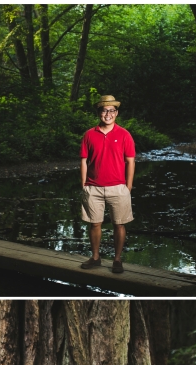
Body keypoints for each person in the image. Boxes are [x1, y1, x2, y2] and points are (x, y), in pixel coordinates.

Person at [79, 94, 135, 274]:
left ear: (116, 113)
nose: (108, 114)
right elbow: (83, 160)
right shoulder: (89, 134)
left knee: (119, 224)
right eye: (104, 110)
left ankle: (117, 260)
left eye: (111, 111)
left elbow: (130, 161)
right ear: (99, 113)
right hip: (93, 187)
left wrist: (128, 186)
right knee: (95, 224)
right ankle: (95, 257)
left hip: (118, 188)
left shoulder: (124, 134)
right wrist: (84, 185)